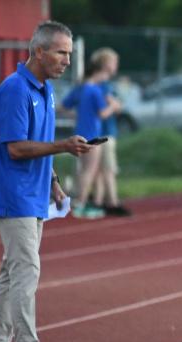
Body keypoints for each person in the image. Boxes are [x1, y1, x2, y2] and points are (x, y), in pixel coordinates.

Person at [0, 20, 94, 342]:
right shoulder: (15, 90)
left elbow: (38, 142)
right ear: (39, 51)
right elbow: (16, 148)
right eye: (60, 52)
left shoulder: (45, 89)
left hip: (34, 195)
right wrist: (64, 146)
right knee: (26, 271)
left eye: (69, 54)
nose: (66, 61)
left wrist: (54, 180)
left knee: (12, 274)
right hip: (15, 196)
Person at [63, 48, 122, 219]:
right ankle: (80, 203)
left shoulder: (81, 88)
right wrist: (114, 105)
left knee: (84, 170)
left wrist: (77, 114)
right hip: (92, 134)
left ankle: (80, 201)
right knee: (90, 170)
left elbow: (64, 106)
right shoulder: (95, 90)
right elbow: (102, 114)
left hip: (80, 132)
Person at [91, 48, 131, 217]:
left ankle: (98, 201)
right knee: (108, 169)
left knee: (100, 170)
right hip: (105, 132)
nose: (116, 66)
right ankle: (112, 202)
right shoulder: (104, 85)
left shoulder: (96, 83)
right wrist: (116, 104)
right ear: (106, 64)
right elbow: (115, 106)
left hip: (98, 131)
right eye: (114, 62)